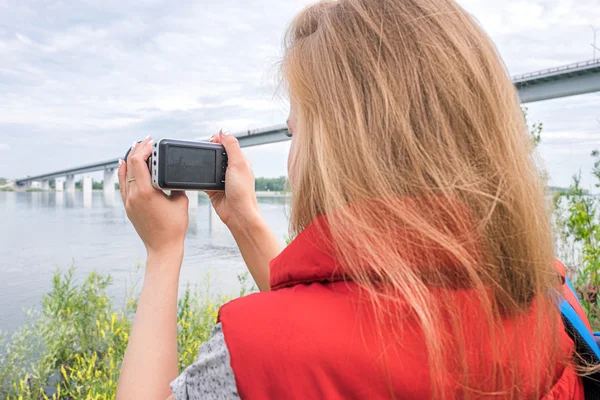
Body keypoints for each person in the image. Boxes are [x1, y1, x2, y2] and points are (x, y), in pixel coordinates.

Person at [114, 0, 586, 398]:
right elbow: (345, 313)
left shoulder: (250, 356)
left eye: (294, 131)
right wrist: (244, 219)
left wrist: (163, 252)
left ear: (337, 148)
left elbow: (310, 341)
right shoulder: (549, 296)